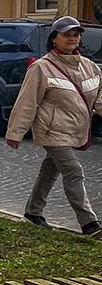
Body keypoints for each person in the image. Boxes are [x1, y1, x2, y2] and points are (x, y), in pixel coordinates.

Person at [6, 15, 102, 239]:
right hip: (52, 132)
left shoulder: (90, 67)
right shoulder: (41, 67)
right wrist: (15, 133)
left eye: (75, 34)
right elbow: (27, 102)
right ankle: (89, 223)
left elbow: (99, 100)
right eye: (66, 34)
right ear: (54, 39)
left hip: (77, 131)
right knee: (73, 171)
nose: (72, 38)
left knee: (50, 170)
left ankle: (33, 212)